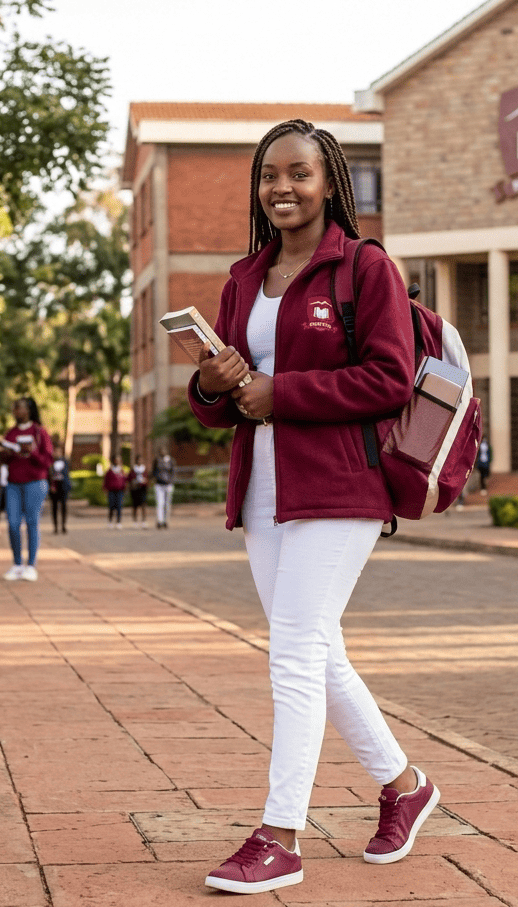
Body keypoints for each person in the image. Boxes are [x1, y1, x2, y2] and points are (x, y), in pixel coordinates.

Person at [189, 119, 439, 896]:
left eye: (299, 173)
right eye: (270, 175)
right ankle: (403, 785)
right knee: (313, 646)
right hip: (263, 485)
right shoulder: (244, 278)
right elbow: (220, 405)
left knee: (293, 650)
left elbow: (391, 378)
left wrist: (281, 392)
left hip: (341, 484)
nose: (282, 188)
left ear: (329, 180)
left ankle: (280, 834)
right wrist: (213, 383)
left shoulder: (364, 267)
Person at [0, 397, 53, 581]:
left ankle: (31, 565)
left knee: (32, 522)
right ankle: (16, 564)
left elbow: (48, 461)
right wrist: (5, 455)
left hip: (35, 483)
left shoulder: (39, 432)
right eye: (14, 408)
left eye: (19, 408)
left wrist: (32, 451)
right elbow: (5, 460)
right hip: (13, 483)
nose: (16, 411)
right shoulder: (11, 433)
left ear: (29, 410)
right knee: (13, 523)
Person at [151, 445, 176, 529]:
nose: (163, 452)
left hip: (168, 485)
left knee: (167, 504)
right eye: (161, 450)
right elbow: (153, 471)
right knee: (160, 503)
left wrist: (170, 481)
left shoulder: (170, 460)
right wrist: (155, 478)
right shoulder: (157, 460)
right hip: (159, 484)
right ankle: (159, 521)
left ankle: (166, 521)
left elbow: (173, 472)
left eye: (164, 450)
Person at [49, 444, 72, 534]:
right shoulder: (50, 462)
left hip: (63, 485)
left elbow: (67, 473)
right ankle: (55, 527)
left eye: (58, 451)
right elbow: (48, 475)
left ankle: (63, 526)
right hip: (54, 486)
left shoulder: (66, 461)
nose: (57, 453)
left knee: (64, 506)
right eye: (55, 451)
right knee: (54, 507)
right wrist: (51, 485)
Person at [102, 453, 127, 528]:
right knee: (111, 506)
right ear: (113, 460)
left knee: (119, 506)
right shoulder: (110, 471)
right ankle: (110, 521)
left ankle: (118, 522)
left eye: (119, 460)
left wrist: (125, 488)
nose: (117, 461)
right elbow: (106, 481)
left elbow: (125, 481)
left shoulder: (122, 471)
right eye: (116, 460)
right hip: (111, 491)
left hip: (119, 491)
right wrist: (105, 489)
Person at [127, 454, 150, 528]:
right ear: (136, 460)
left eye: (140, 459)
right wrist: (132, 483)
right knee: (135, 506)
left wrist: (145, 481)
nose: (139, 461)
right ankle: (135, 521)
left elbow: (148, 479)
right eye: (138, 459)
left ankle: (144, 521)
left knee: (143, 505)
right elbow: (129, 479)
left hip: (142, 489)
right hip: (135, 489)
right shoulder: (133, 469)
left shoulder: (144, 469)